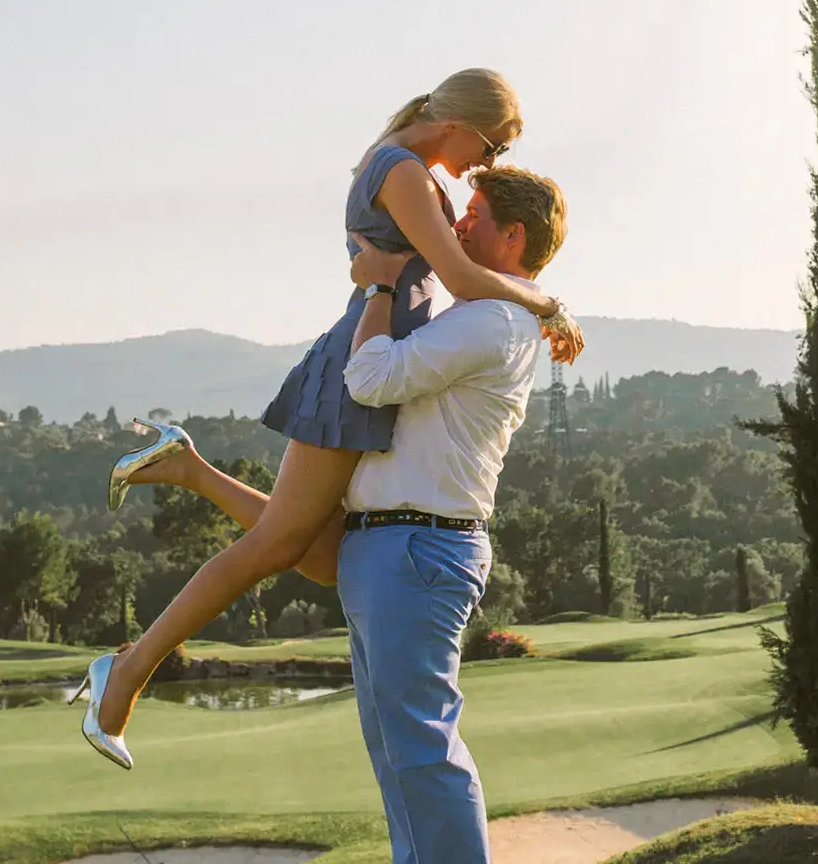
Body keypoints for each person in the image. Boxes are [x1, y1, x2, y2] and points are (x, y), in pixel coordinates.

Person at [77, 70, 583, 765]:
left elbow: (446, 283)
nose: (485, 167)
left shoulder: (409, 168)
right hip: (360, 368)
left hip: (373, 357)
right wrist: (547, 304)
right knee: (277, 548)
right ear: (461, 122)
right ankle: (126, 673)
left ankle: (187, 468)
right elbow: (461, 282)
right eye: (491, 147)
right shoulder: (402, 170)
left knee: (320, 554)